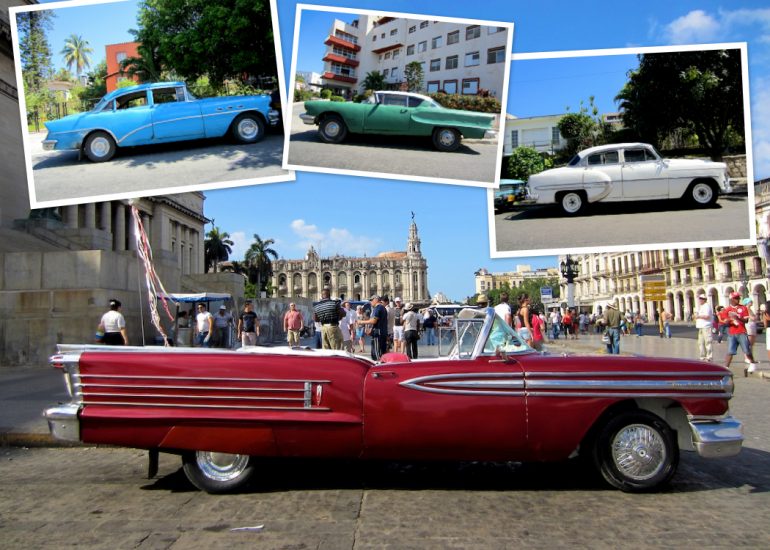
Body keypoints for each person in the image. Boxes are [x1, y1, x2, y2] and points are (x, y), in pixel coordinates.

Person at [724, 291, 758, 376]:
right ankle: (726, 368)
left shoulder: (743, 308)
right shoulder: (727, 309)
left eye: (739, 298)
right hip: (732, 333)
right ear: (731, 299)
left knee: (746, 349)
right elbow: (725, 322)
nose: (738, 299)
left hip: (741, 331)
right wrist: (729, 321)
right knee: (730, 351)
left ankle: (753, 363)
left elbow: (746, 320)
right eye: (736, 298)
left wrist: (738, 317)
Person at [358, 295, 388, 360]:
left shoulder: (378, 308)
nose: (370, 302)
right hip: (381, 332)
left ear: (376, 300)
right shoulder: (382, 308)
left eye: (371, 300)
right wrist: (371, 331)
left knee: (377, 354)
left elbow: (374, 321)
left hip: (378, 334)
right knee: (382, 353)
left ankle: (379, 368)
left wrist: (361, 322)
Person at [694, 293, 713, 362]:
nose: (700, 300)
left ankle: (709, 356)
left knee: (708, 341)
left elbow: (707, 316)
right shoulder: (701, 306)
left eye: (702, 299)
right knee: (700, 342)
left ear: (705, 300)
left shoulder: (707, 306)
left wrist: (698, 316)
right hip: (701, 327)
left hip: (706, 326)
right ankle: (702, 356)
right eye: (700, 299)